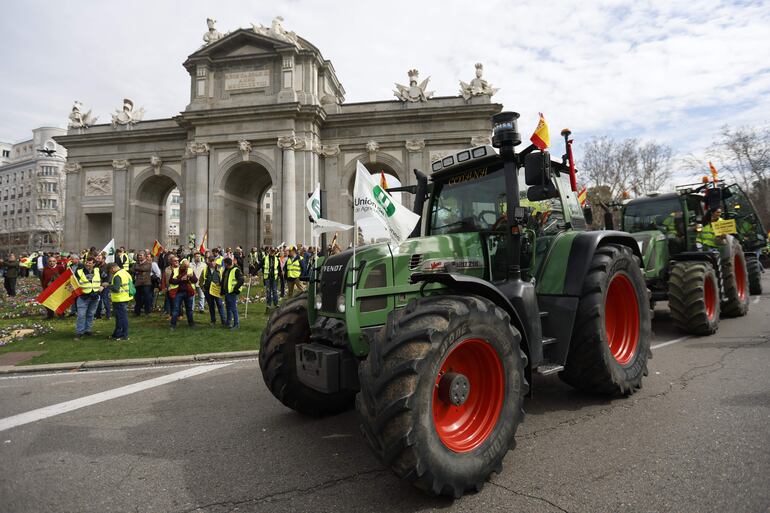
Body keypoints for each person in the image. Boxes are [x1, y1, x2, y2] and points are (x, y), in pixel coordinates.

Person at [74, 256, 103, 340]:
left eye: (90, 263)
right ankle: (79, 332)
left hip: (95, 296)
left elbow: (106, 278)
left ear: (94, 264)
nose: (87, 264)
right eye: (86, 262)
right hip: (83, 297)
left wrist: (103, 286)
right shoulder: (79, 271)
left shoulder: (98, 270)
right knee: (81, 315)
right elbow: (74, 282)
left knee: (90, 314)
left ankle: (88, 330)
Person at [169, 258, 197, 330]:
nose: (186, 268)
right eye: (185, 267)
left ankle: (191, 323)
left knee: (189, 309)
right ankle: (173, 325)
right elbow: (171, 281)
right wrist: (181, 279)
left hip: (188, 292)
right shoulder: (175, 270)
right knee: (176, 309)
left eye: (187, 267)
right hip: (178, 292)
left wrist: (190, 277)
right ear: (182, 265)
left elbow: (195, 280)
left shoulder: (190, 270)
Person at [107, 262, 132, 340]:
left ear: (113, 268)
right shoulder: (125, 273)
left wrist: (108, 285)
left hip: (119, 299)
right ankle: (117, 334)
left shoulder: (117, 275)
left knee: (121, 318)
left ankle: (124, 335)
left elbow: (116, 289)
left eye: (110, 271)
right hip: (125, 297)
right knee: (120, 317)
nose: (110, 273)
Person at [201, 255, 226, 326]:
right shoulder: (205, 270)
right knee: (211, 306)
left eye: (213, 261)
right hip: (208, 291)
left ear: (215, 261)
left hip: (217, 290)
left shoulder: (220, 269)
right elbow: (200, 281)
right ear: (208, 262)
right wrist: (203, 289)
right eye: (210, 261)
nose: (212, 263)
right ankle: (213, 320)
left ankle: (223, 321)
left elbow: (223, 279)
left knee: (220, 305)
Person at [221, 257, 243, 329]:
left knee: (233, 308)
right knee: (228, 308)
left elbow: (241, 280)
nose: (224, 265)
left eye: (225, 264)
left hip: (232, 292)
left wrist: (235, 289)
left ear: (227, 264)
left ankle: (236, 324)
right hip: (227, 292)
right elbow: (224, 280)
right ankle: (228, 322)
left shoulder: (236, 270)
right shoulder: (226, 270)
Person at [261, 247, 281, 313]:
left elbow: (279, 268)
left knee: (275, 291)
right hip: (267, 277)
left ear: (275, 252)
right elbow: (259, 265)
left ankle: (276, 304)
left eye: (273, 251)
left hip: (274, 278)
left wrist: (281, 275)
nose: (272, 252)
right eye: (271, 251)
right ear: (269, 251)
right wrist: (252, 272)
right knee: (268, 291)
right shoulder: (265, 258)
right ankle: (268, 305)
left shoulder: (277, 259)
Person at [132, 250, 153, 316]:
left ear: (145, 256)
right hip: (137, 283)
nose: (139, 257)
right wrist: (138, 270)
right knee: (137, 298)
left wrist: (137, 269)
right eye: (138, 255)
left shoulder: (148, 263)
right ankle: (137, 312)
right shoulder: (136, 263)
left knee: (147, 298)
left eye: (141, 255)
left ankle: (148, 312)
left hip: (146, 283)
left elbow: (144, 269)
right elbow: (132, 269)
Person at [95, 253, 111, 320]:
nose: (97, 259)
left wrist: (102, 286)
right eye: (97, 257)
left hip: (104, 286)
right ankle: (98, 315)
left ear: (103, 259)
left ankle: (108, 315)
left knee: (105, 300)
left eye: (99, 258)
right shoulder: (96, 266)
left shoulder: (106, 267)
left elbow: (108, 278)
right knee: (98, 301)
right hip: (97, 286)